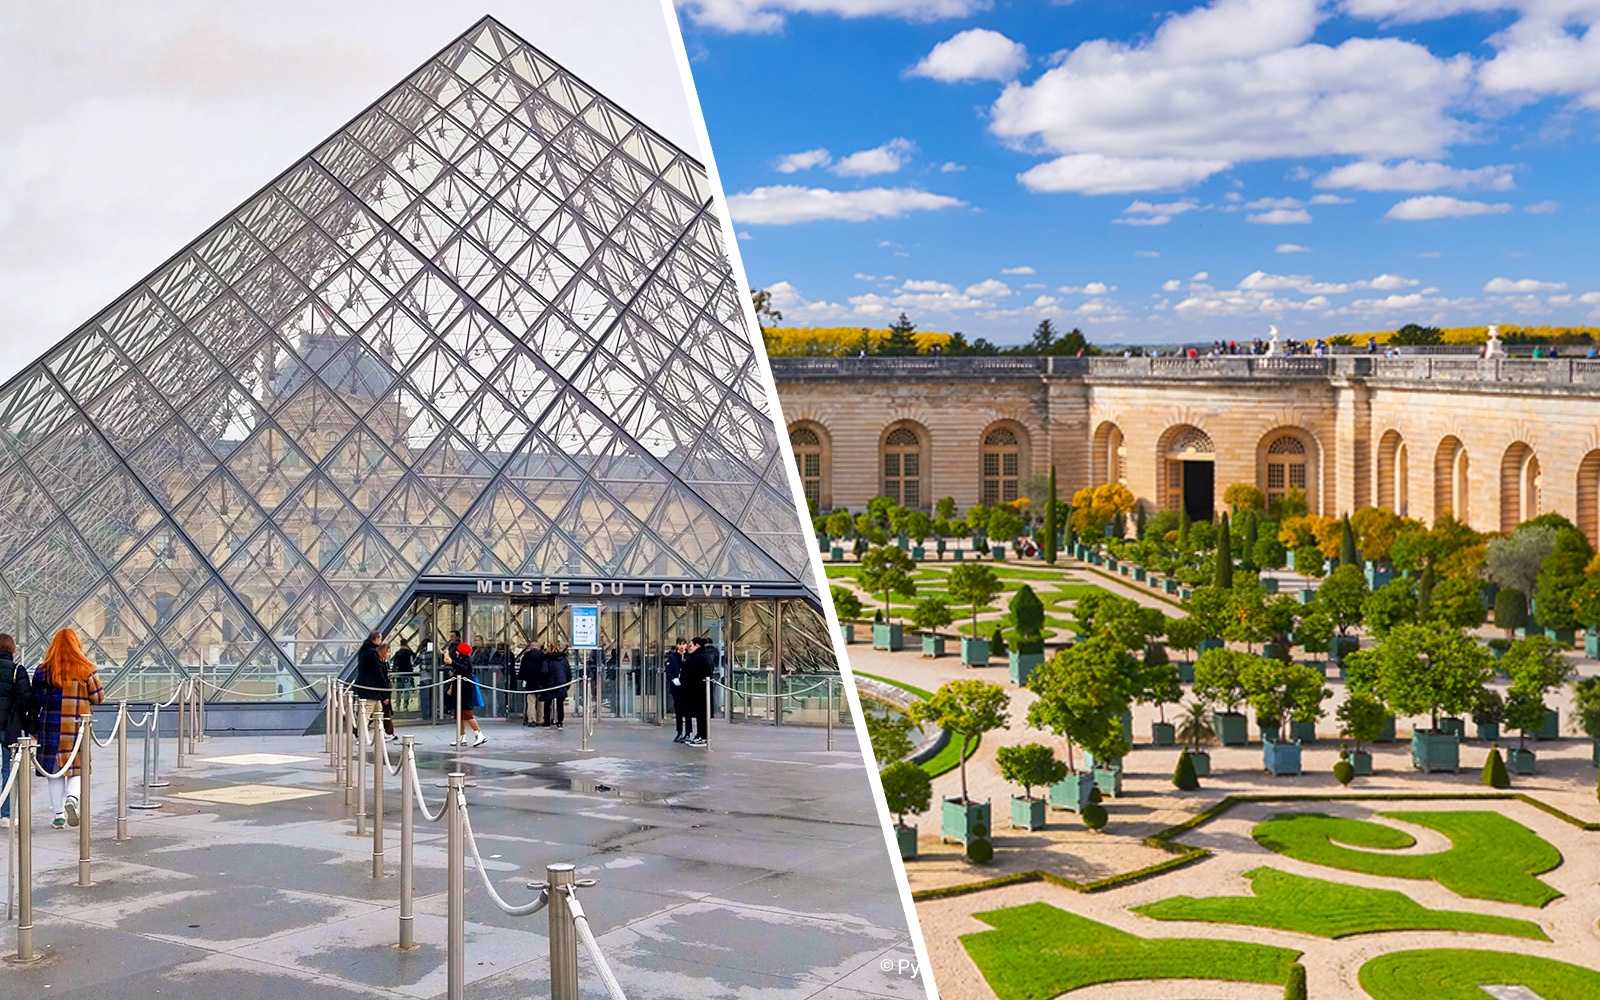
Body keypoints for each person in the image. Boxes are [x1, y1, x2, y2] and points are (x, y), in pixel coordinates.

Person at [31, 628, 104, 829]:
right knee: (76, 769)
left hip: (50, 727)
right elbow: (98, 697)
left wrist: (33, 727)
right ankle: (72, 799)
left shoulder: (43, 670)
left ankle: (58, 815)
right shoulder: (86, 668)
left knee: (54, 772)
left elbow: (35, 700)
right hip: (76, 726)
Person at [0, 634, 33, 830]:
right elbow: (25, 699)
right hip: (9, 725)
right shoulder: (16, 670)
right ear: (12, 650)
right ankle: (6, 814)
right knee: (8, 770)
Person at [445, 639, 486, 747]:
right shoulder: (462, 660)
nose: (456, 652)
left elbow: (463, 669)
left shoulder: (466, 661)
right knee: (459, 716)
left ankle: (479, 734)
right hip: (460, 692)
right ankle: (461, 737)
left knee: (468, 715)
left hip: (465, 693)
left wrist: (452, 663)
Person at [353, 631, 391, 738]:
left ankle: (381, 732)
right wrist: (384, 692)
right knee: (368, 712)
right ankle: (361, 734)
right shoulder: (372, 652)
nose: (381, 641)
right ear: (376, 639)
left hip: (367, 686)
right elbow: (377, 672)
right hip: (371, 688)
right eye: (380, 639)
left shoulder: (364, 650)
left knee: (378, 710)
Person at [680, 637, 714, 747]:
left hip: (698, 690)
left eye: (691, 645)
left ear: (697, 645)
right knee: (701, 714)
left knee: (701, 714)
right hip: (699, 690)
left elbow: (694, 673)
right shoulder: (703, 656)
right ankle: (701, 735)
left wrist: (683, 679)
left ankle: (702, 736)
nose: (689, 648)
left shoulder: (700, 657)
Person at [665, 637, 688, 742]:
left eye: (684, 644)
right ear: (676, 645)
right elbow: (668, 670)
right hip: (676, 686)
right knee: (678, 710)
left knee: (688, 710)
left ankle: (688, 732)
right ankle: (679, 731)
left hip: (687, 686)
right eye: (680, 644)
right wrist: (673, 679)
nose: (682, 646)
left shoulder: (689, 656)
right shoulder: (672, 657)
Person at [519, 642, 547, 726]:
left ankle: (532, 720)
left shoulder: (526, 657)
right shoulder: (543, 657)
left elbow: (522, 669)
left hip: (530, 682)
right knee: (541, 702)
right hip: (541, 682)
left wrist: (524, 679)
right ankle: (540, 719)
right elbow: (545, 669)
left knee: (531, 702)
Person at [543, 642, 569, 729]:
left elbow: (544, 672)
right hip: (561, 683)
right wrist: (566, 684)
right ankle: (560, 721)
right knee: (560, 704)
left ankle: (547, 721)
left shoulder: (547, 659)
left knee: (547, 703)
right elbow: (568, 672)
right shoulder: (563, 659)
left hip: (549, 684)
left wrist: (542, 683)